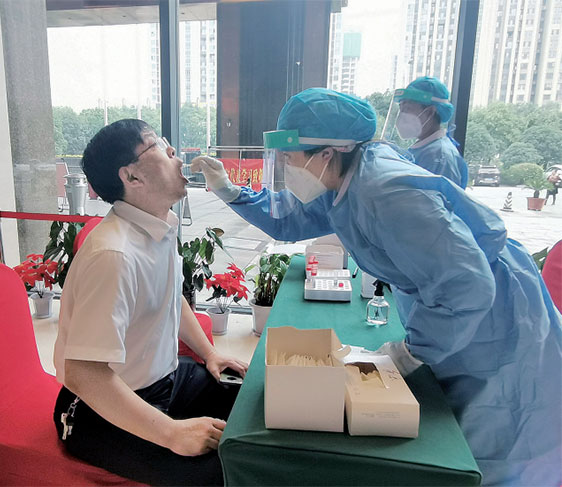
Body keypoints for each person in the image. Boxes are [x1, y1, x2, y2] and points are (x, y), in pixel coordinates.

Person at [192, 88, 562, 486]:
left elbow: (466, 287)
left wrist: (412, 353)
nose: (285, 165)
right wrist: (230, 189)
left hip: (496, 316)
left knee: (500, 434)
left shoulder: (387, 191)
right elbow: (291, 218)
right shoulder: (346, 177)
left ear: (326, 153)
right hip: (458, 295)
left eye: (290, 156)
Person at [53, 119, 248, 486]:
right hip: (101, 408)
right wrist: (172, 433)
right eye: (160, 146)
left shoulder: (158, 226)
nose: (176, 155)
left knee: (252, 402)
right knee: (224, 470)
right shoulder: (114, 255)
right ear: (132, 177)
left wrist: (210, 354)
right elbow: (82, 373)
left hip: (166, 381)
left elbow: (171, 297)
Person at [386, 76, 468, 188]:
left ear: (430, 112)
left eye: (407, 109)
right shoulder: (425, 149)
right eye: (401, 109)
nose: (401, 116)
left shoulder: (440, 156)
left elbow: (440, 198)